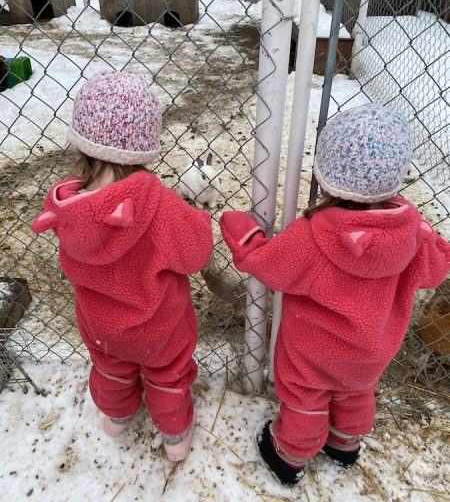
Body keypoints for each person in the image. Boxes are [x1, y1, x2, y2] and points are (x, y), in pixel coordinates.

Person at [219, 105, 450, 486]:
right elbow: (436, 270)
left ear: (325, 175)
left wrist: (246, 241)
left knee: (306, 399)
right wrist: (424, 232)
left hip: (313, 353)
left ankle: (289, 455)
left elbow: (271, 266)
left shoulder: (313, 237)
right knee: (356, 392)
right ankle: (344, 443)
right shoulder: (411, 234)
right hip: (372, 352)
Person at [32, 71, 213, 462]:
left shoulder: (65, 206)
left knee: (111, 368)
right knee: (168, 376)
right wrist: (199, 217)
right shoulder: (160, 205)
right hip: (159, 328)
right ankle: (175, 438)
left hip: (101, 327)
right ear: (145, 145)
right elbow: (197, 254)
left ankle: (115, 415)